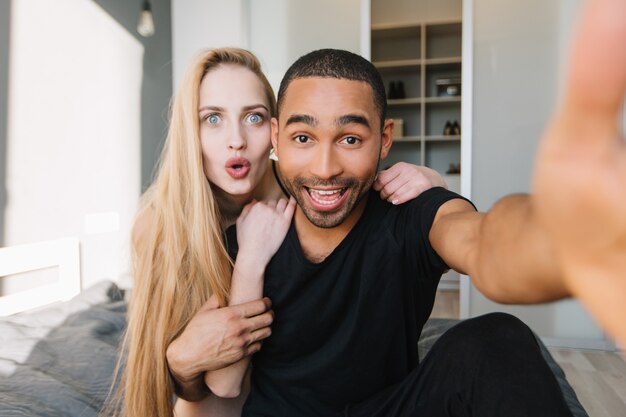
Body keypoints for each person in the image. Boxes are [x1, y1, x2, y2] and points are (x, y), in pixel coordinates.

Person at [169, 0, 626, 414]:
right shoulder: (245, 235)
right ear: (274, 138)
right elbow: (223, 384)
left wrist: (562, 236)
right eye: (303, 138)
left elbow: (484, 242)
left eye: (350, 139)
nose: (325, 168)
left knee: (497, 339)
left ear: (384, 139)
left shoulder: (408, 215)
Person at [114, 47, 447, 417]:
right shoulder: (159, 228)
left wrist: (431, 179)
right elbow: (178, 380)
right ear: (188, 132)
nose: (236, 140)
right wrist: (181, 361)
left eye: (253, 117)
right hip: (226, 396)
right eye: (212, 119)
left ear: (275, 132)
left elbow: (376, 192)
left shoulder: (311, 193)